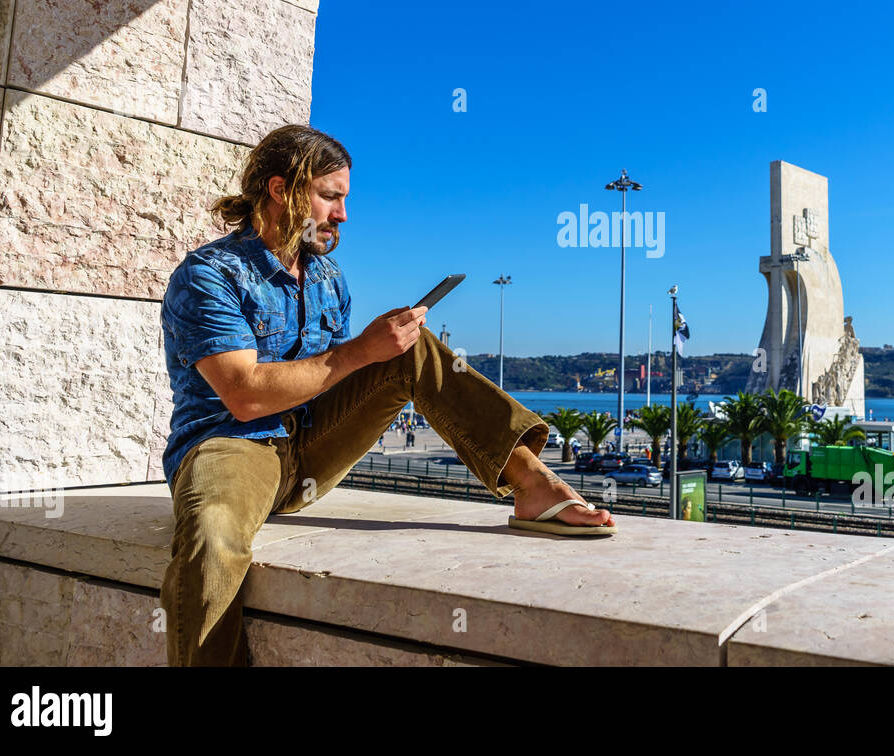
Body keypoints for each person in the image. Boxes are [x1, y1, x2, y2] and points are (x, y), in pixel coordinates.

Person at [158, 125, 614, 666]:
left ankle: (531, 482)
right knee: (211, 539)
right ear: (281, 191)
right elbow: (245, 396)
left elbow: (327, 379)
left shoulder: (327, 277)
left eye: (344, 199)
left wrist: (380, 349)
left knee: (409, 346)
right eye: (330, 197)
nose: (343, 214)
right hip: (234, 445)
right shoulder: (210, 276)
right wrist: (359, 352)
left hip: (310, 446)